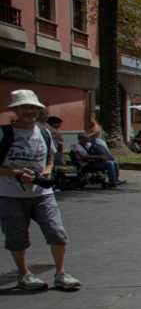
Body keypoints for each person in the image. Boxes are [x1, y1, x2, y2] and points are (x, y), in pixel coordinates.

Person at [0, 90, 80, 290]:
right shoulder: (3, 133)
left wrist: (45, 172)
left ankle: (61, 273)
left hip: (42, 194)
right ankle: (24, 274)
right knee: (17, 236)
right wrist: (16, 173)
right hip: (10, 195)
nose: (30, 111)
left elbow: (50, 159)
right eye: (25, 107)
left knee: (57, 232)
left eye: (33, 107)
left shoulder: (44, 133)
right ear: (15, 110)